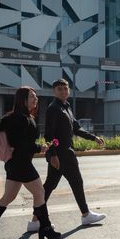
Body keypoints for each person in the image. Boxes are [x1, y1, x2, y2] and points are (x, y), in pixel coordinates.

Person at [0, 87, 61, 239]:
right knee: (39, 192)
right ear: (23, 99)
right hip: (22, 164)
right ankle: (46, 228)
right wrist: (38, 148)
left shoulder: (19, 117)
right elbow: (21, 145)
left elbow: (18, 142)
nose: (36, 100)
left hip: (14, 164)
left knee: (8, 197)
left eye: (36, 97)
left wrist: (36, 147)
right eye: (32, 97)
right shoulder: (21, 118)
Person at [27, 79, 106, 231]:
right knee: (76, 182)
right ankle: (85, 214)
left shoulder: (66, 107)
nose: (63, 91)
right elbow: (49, 135)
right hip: (62, 153)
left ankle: (35, 221)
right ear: (54, 92)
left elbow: (76, 128)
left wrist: (94, 138)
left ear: (69, 91)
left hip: (63, 153)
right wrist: (54, 154)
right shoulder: (53, 108)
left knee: (49, 186)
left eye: (65, 89)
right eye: (59, 89)